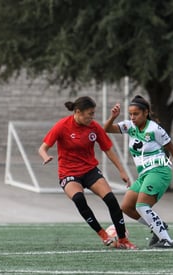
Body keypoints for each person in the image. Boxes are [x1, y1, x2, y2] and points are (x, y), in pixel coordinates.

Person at [38, 96, 136, 249]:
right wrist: (45, 156)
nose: (92, 117)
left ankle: (123, 239)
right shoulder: (62, 126)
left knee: (111, 200)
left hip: (90, 170)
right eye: (90, 113)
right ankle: (103, 235)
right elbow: (42, 148)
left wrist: (122, 171)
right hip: (68, 173)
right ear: (78, 112)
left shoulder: (94, 127)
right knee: (79, 199)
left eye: (93, 114)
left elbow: (108, 150)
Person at [104, 95, 173, 248]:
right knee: (126, 207)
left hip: (159, 171)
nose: (132, 117)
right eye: (130, 114)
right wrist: (113, 117)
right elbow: (106, 129)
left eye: (136, 114)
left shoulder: (154, 129)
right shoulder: (130, 126)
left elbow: (172, 149)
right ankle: (158, 226)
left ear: (146, 113)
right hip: (145, 174)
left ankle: (167, 241)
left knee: (141, 206)